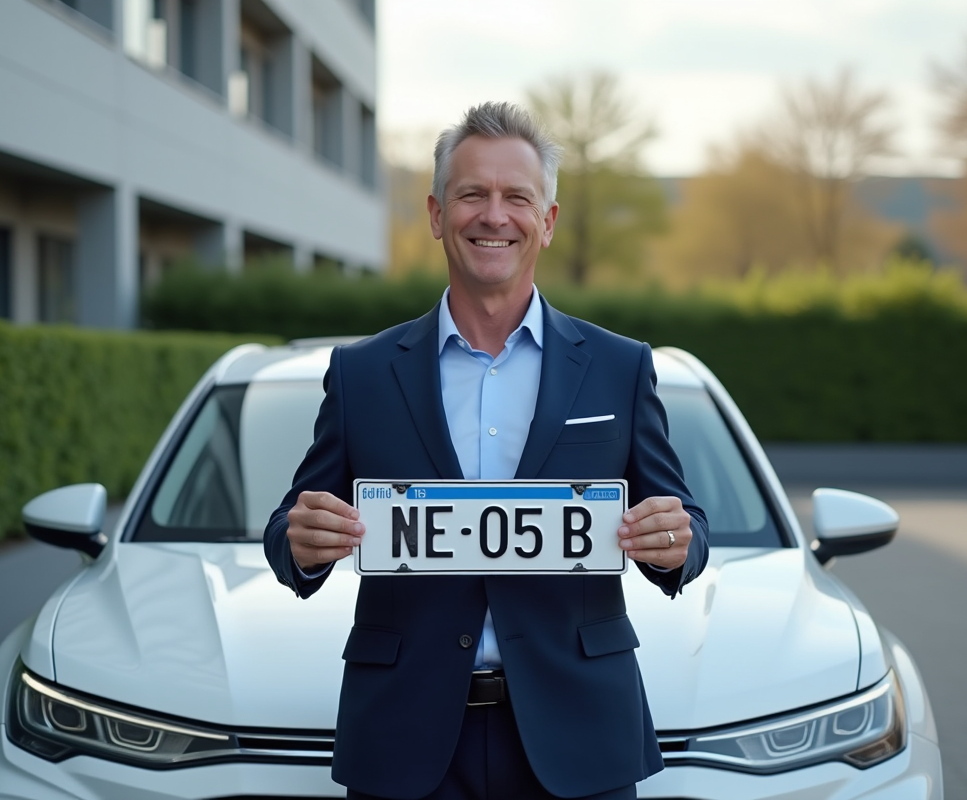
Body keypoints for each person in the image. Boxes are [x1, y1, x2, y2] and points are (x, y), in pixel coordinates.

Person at [264, 101, 708, 800]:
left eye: (516, 197)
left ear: (548, 221)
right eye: (472, 194)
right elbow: (289, 530)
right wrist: (301, 540)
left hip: (579, 735)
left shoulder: (620, 369)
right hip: (407, 741)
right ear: (438, 215)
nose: (493, 216)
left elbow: (684, 519)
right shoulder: (362, 374)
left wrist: (679, 540)